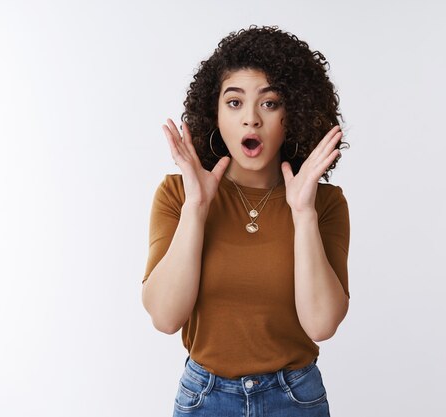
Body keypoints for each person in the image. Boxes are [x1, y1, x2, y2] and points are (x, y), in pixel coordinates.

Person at [142, 25, 350, 417]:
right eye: (234, 103)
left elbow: (321, 324)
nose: (251, 120)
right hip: (205, 397)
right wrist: (196, 209)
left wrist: (302, 214)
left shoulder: (325, 204)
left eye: (269, 103)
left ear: (294, 113)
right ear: (215, 114)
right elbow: (165, 317)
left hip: (296, 399)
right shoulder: (177, 195)